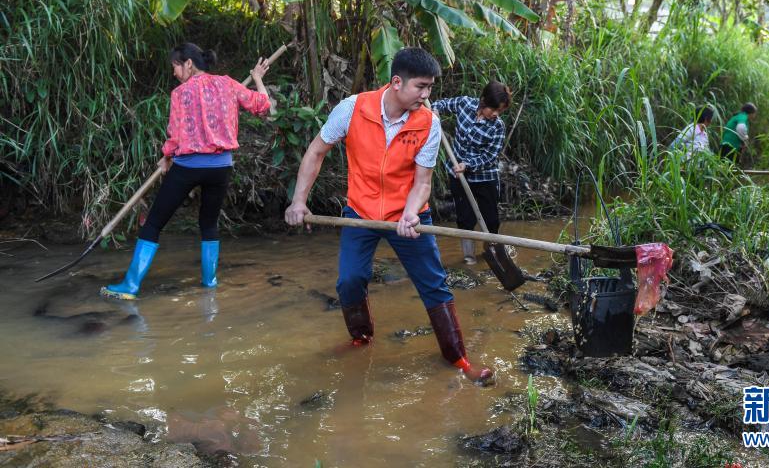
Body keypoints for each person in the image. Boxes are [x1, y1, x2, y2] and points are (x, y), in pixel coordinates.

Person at [283, 47, 493, 384]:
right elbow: (316, 151)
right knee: (349, 280)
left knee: (434, 285)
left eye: (430, 88)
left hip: (407, 217)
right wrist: (299, 202)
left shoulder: (429, 122)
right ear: (397, 82)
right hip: (360, 213)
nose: (426, 96)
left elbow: (422, 182)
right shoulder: (352, 109)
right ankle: (361, 338)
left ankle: (459, 359)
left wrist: (410, 214)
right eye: (421, 87)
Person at [101, 43, 271, 299]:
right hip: (221, 167)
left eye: (175, 67)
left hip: (189, 167)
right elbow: (262, 106)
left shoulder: (180, 93)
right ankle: (210, 284)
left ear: (188, 64)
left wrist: (166, 157)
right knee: (209, 224)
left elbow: (176, 136)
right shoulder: (228, 83)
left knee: (154, 223)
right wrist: (257, 79)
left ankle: (130, 286)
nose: (174, 73)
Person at [432, 81, 511, 265]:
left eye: (500, 111)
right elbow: (441, 104)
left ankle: (493, 253)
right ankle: (469, 258)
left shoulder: (497, 126)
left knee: (491, 220)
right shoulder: (465, 104)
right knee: (464, 218)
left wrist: (468, 164)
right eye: (494, 109)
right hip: (458, 175)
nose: (496, 114)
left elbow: (490, 156)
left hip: (484, 178)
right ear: (484, 101)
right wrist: (435, 111)